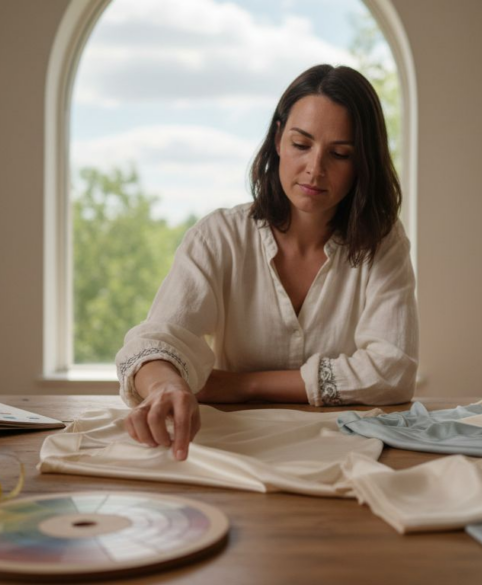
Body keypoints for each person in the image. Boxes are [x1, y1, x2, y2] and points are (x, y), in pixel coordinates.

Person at [115, 64, 418, 461]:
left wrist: (242, 386)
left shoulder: (382, 241)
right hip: (230, 452)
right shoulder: (218, 236)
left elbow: (391, 373)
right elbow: (158, 339)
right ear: (278, 139)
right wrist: (165, 386)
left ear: (363, 164)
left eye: (340, 154)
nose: (315, 168)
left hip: (343, 454)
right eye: (301, 144)